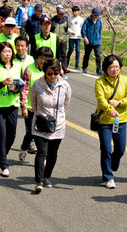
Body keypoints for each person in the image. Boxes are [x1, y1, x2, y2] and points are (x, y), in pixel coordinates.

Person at [30, 58, 72, 193]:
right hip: (40, 124)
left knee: (53, 153)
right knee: (42, 152)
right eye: (49, 73)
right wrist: (42, 114)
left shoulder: (65, 86)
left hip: (58, 124)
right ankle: (39, 181)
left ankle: (47, 176)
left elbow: (66, 104)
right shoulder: (37, 84)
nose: (53, 77)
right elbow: (33, 102)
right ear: (44, 72)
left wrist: (57, 116)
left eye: (56, 73)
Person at [95, 54, 127, 189]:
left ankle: (113, 163)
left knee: (121, 150)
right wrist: (110, 109)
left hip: (120, 120)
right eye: (111, 67)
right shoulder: (100, 82)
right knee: (105, 149)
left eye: (117, 67)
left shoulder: (125, 80)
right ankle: (108, 177)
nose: (114, 70)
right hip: (105, 120)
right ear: (106, 68)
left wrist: (119, 102)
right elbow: (101, 99)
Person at [0, 41, 23, 177]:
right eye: (4, 52)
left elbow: (21, 86)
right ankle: (4, 165)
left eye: (9, 52)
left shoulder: (17, 66)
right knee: (1, 136)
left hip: (12, 105)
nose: (7, 54)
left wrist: (16, 89)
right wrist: (2, 83)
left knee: (12, 135)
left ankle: (3, 155)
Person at [20, 46, 53, 162]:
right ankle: (24, 147)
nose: (43, 61)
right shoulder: (29, 69)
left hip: (45, 109)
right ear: (37, 57)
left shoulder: (51, 71)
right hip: (31, 108)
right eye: (41, 58)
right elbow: (25, 89)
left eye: (46, 58)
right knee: (31, 132)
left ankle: (43, 157)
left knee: (44, 134)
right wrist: (23, 106)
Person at [82, 7, 103, 75]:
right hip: (89, 42)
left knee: (98, 56)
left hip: (97, 41)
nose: (96, 16)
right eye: (95, 15)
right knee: (87, 55)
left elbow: (100, 30)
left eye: (97, 15)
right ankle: (84, 67)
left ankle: (99, 69)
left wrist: (100, 39)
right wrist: (85, 38)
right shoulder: (87, 21)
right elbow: (83, 30)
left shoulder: (99, 21)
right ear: (92, 13)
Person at [50, 5, 69, 72]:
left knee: (64, 53)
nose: (61, 15)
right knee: (56, 54)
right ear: (57, 13)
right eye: (60, 13)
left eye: (62, 14)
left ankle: (64, 67)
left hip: (63, 39)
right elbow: (51, 30)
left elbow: (66, 29)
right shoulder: (53, 20)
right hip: (55, 40)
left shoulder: (66, 20)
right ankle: (56, 66)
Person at [67, 5, 83, 70]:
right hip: (71, 37)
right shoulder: (70, 19)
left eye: (76, 11)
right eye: (73, 11)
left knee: (78, 50)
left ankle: (77, 64)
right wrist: (71, 32)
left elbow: (82, 28)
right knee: (70, 50)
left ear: (78, 11)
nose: (74, 12)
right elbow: (67, 28)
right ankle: (66, 62)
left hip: (78, 37)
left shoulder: (81, 19)